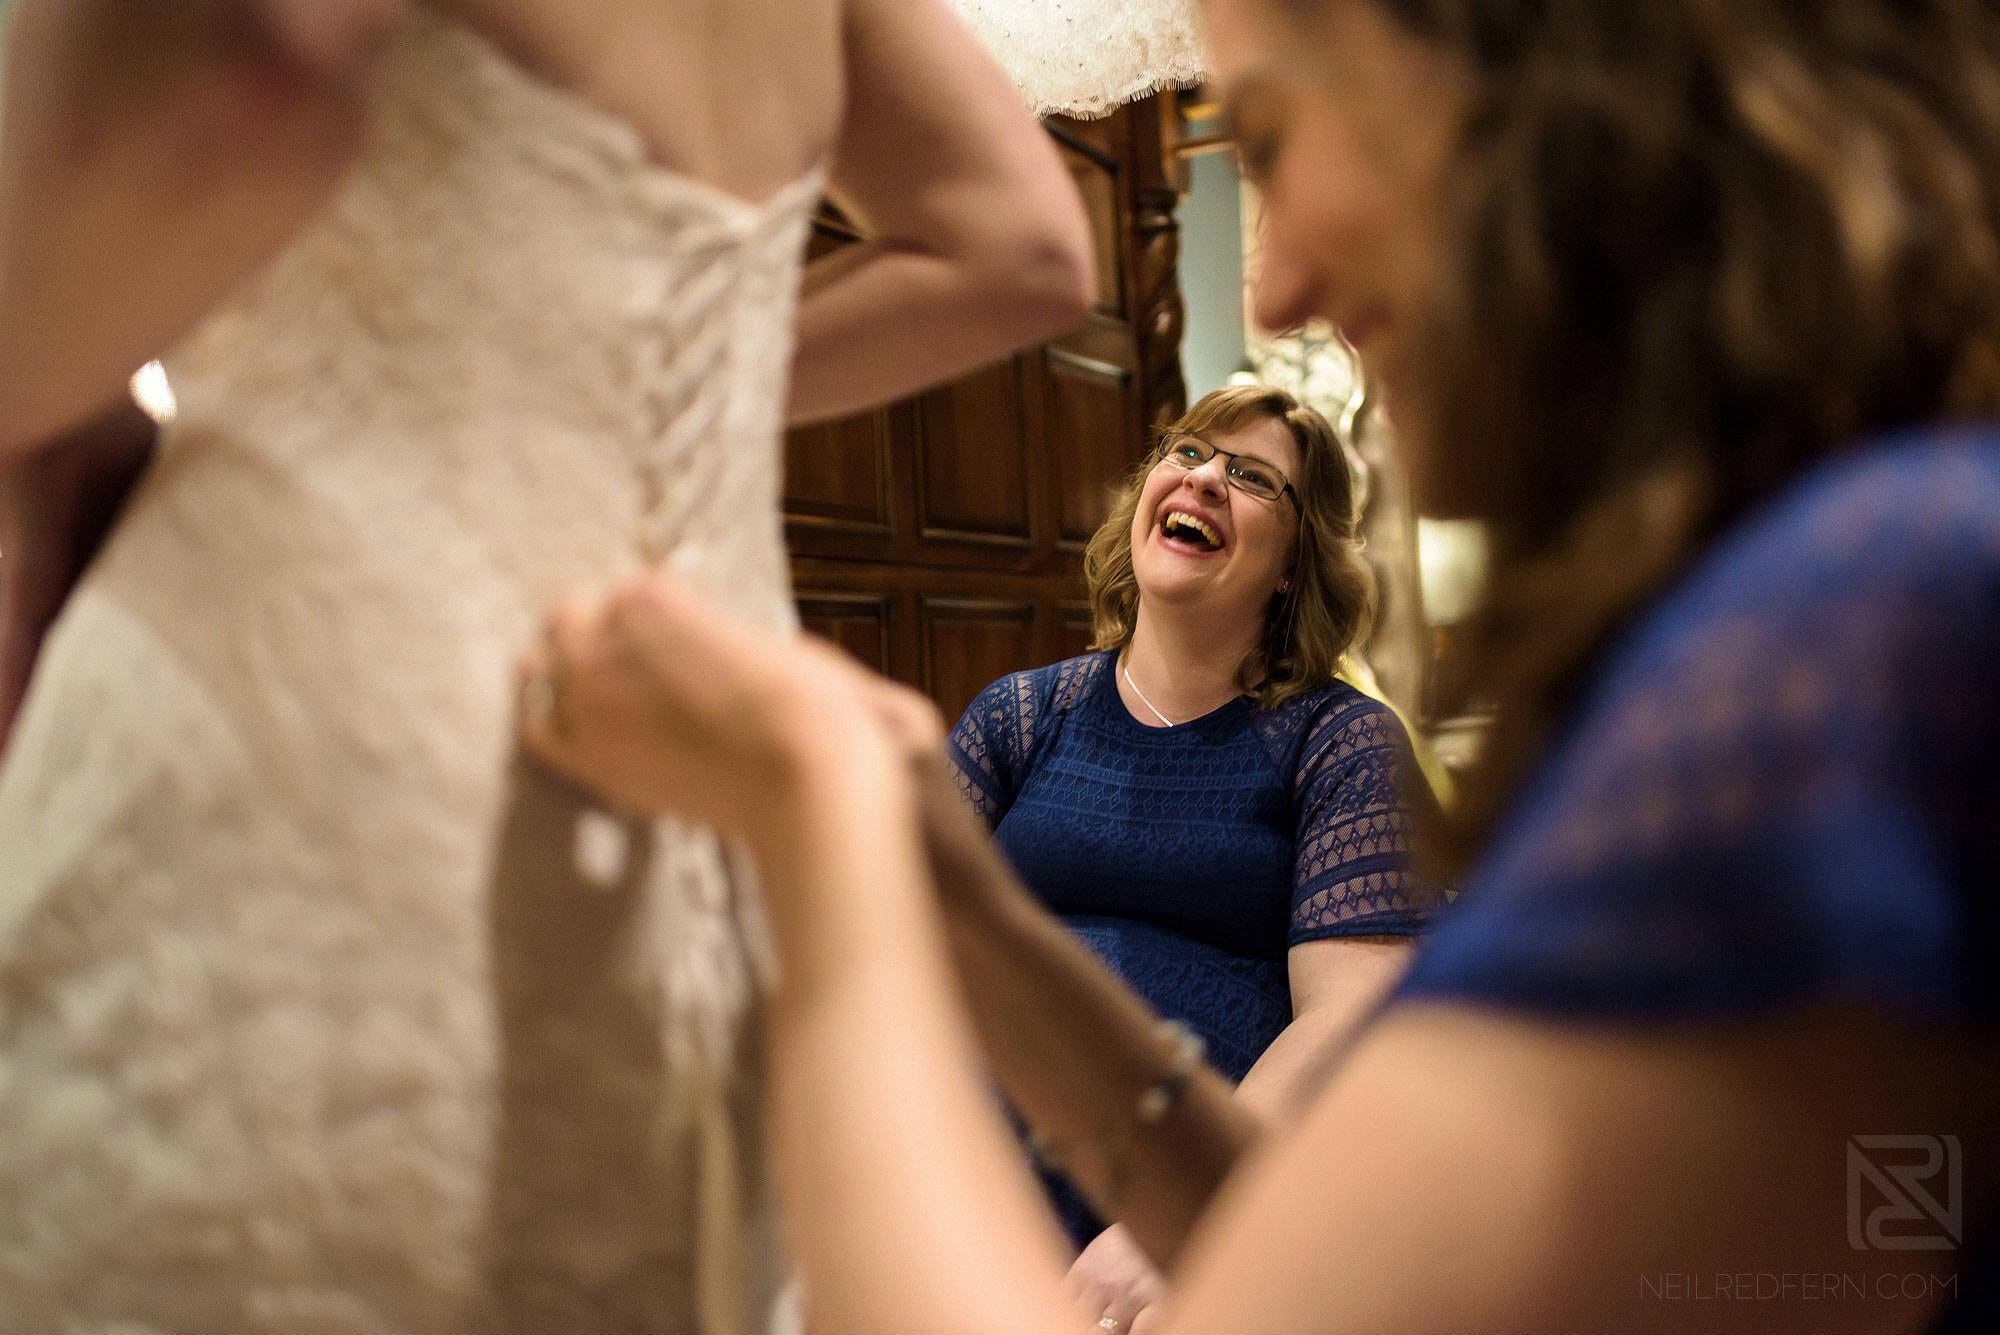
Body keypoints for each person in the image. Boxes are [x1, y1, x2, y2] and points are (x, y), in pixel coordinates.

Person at [522, 0, 2000, 1331]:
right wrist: (962, 910)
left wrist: (821, 816)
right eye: (1187, 454)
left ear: (1541, 96)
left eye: (1277, 137)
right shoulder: (1026, 712)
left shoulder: (1857, 630)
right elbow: (1331, 1246)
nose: (1277, 285)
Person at [0, 0, 1092, 1328]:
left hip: (307, 763)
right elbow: (1018, 244)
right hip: (700, 801)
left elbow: (264, 56)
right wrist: (598, 360)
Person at [947, 383, 1439, 1274]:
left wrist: (1186, 1212)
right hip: (966, 1179)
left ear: (1293, 563)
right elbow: (897, 938)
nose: (1204, 478)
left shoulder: (1340, 742)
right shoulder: (1019, 716)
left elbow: (1350, 1011)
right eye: (1187, 451)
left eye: (1252, 477)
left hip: (1207, 1209)